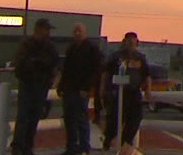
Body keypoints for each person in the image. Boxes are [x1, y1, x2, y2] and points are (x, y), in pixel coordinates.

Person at [12, 17, 60, 155]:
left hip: (41, 85)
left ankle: (27, 147)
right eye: (46, 29)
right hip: (27, 84)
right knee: (23, 116)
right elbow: (21, 65)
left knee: (34, 117)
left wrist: (39, 64)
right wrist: (39, 64)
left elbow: (54, 64)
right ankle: (18, 147)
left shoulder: (49, 47)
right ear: (39, 29)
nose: (48, 33)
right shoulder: (27, 44)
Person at [101, 31, 150, 153]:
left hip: (134, 93)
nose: (131, 44)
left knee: (135, 119)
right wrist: (102, 89)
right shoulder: (116, 57)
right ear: (124, 42)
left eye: (133, 42)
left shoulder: (140, 58)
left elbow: (147, 75)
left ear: (137, 43)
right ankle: (107, 142)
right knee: (114, 121)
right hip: (118, 93)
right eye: (129, 42)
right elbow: (106, 73)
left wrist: (148, 89)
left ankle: (124, 143)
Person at [60, 22, 104, 155]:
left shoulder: (92, 48)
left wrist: (87, 87)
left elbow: (96, 69)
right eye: (75, 31)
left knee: (81, 119)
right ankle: (71, 147)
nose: (77, 33)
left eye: (80, 31)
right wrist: (61, 86)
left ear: (85, 33)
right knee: (69, 119)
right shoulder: (71, 48)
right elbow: (66, 69)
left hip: (82, 90)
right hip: (69, 89)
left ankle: (84, 147)